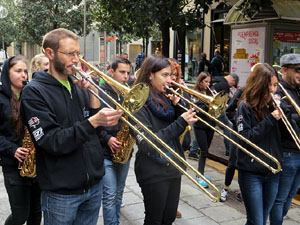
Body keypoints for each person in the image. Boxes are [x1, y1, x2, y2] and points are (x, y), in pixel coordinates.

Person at [20, 28, 123, 225]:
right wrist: (93, 121)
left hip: (93, 185)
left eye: (78, 53)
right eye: (70, 54)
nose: (76, 60)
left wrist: (93, 92)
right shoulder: (34, 92)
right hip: (61, 193)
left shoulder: (78, 85)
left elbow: (95, 128)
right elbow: (51, 141)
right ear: (50, 54)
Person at [133, 55, 197, 225]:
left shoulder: (165, 98)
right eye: (165, 75)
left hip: (173, 166)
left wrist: (178, 108)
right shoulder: (138, 102)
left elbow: (176, 132)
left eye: (171, 75)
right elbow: (148, 143)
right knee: (155, 220)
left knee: (168, 218)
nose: (170, 80)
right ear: (150, 75)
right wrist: (181, 120)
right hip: (153, 170)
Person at [236, 63, 282, 225]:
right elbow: (245, 139)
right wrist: (271, 120)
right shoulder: (245, 106)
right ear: (260, 84)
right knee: (256, 221)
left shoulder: (273, 105)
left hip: (273, 171)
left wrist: (286, 115)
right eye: (269, 85)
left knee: (262, 218)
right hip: (251, 172)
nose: (273, 90)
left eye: (275, 85)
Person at [0, 55, 41, 225]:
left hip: (35, 162)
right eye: (18, 71)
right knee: (20, 215)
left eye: (25, 71)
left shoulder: (30, 95)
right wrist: (13, 149)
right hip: (13, 165)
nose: (24, 75)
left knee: (36, 213)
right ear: (6, 73)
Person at [97, 57, 132, 225]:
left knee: (119, 193)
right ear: (112, 72)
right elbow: (93, 121)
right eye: (122, 72)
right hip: (105, 152)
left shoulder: (128, 92)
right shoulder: (100, 91)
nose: (126, 76)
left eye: (128, 72)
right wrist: (107, 138)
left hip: (124, 150)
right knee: (110, 196)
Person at [270, 53, 300, 225]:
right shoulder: (279, 91)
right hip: (287, 152)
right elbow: (284, 122)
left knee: (289, 196)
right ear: (284, 70)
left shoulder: (297, 89)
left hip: (298, 151)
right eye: (297, 70)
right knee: (280, 198)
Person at [192, 72, 216, 188]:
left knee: (206, 151)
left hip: (210, 125)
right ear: (200, 81)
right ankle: (199, 174)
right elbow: (196, 110)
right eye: (206, 81)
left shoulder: (210, 91)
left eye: (209, 82)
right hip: (200, 126)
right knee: (204, 151)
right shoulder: (195, 93)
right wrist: (207, 105)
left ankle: (201, 173)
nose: (208, 84)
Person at [220, 87, 244, 202]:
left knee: (245, 162)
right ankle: (225, 188)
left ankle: (242, 190)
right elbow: (229, 110)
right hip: (238, 131)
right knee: (233, 162)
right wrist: (238, 123)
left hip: (250, 134)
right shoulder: (242, 91)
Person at [213, 73, 239, 156]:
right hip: (216, 109)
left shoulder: (217, 78)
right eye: (232, 85)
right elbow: (225, 103)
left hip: (209, 108)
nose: (231, 87)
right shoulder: (225, 85)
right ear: (233, 80)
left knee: (205, 127)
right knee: (227, 127)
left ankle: (193, 150)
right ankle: (229, 150)